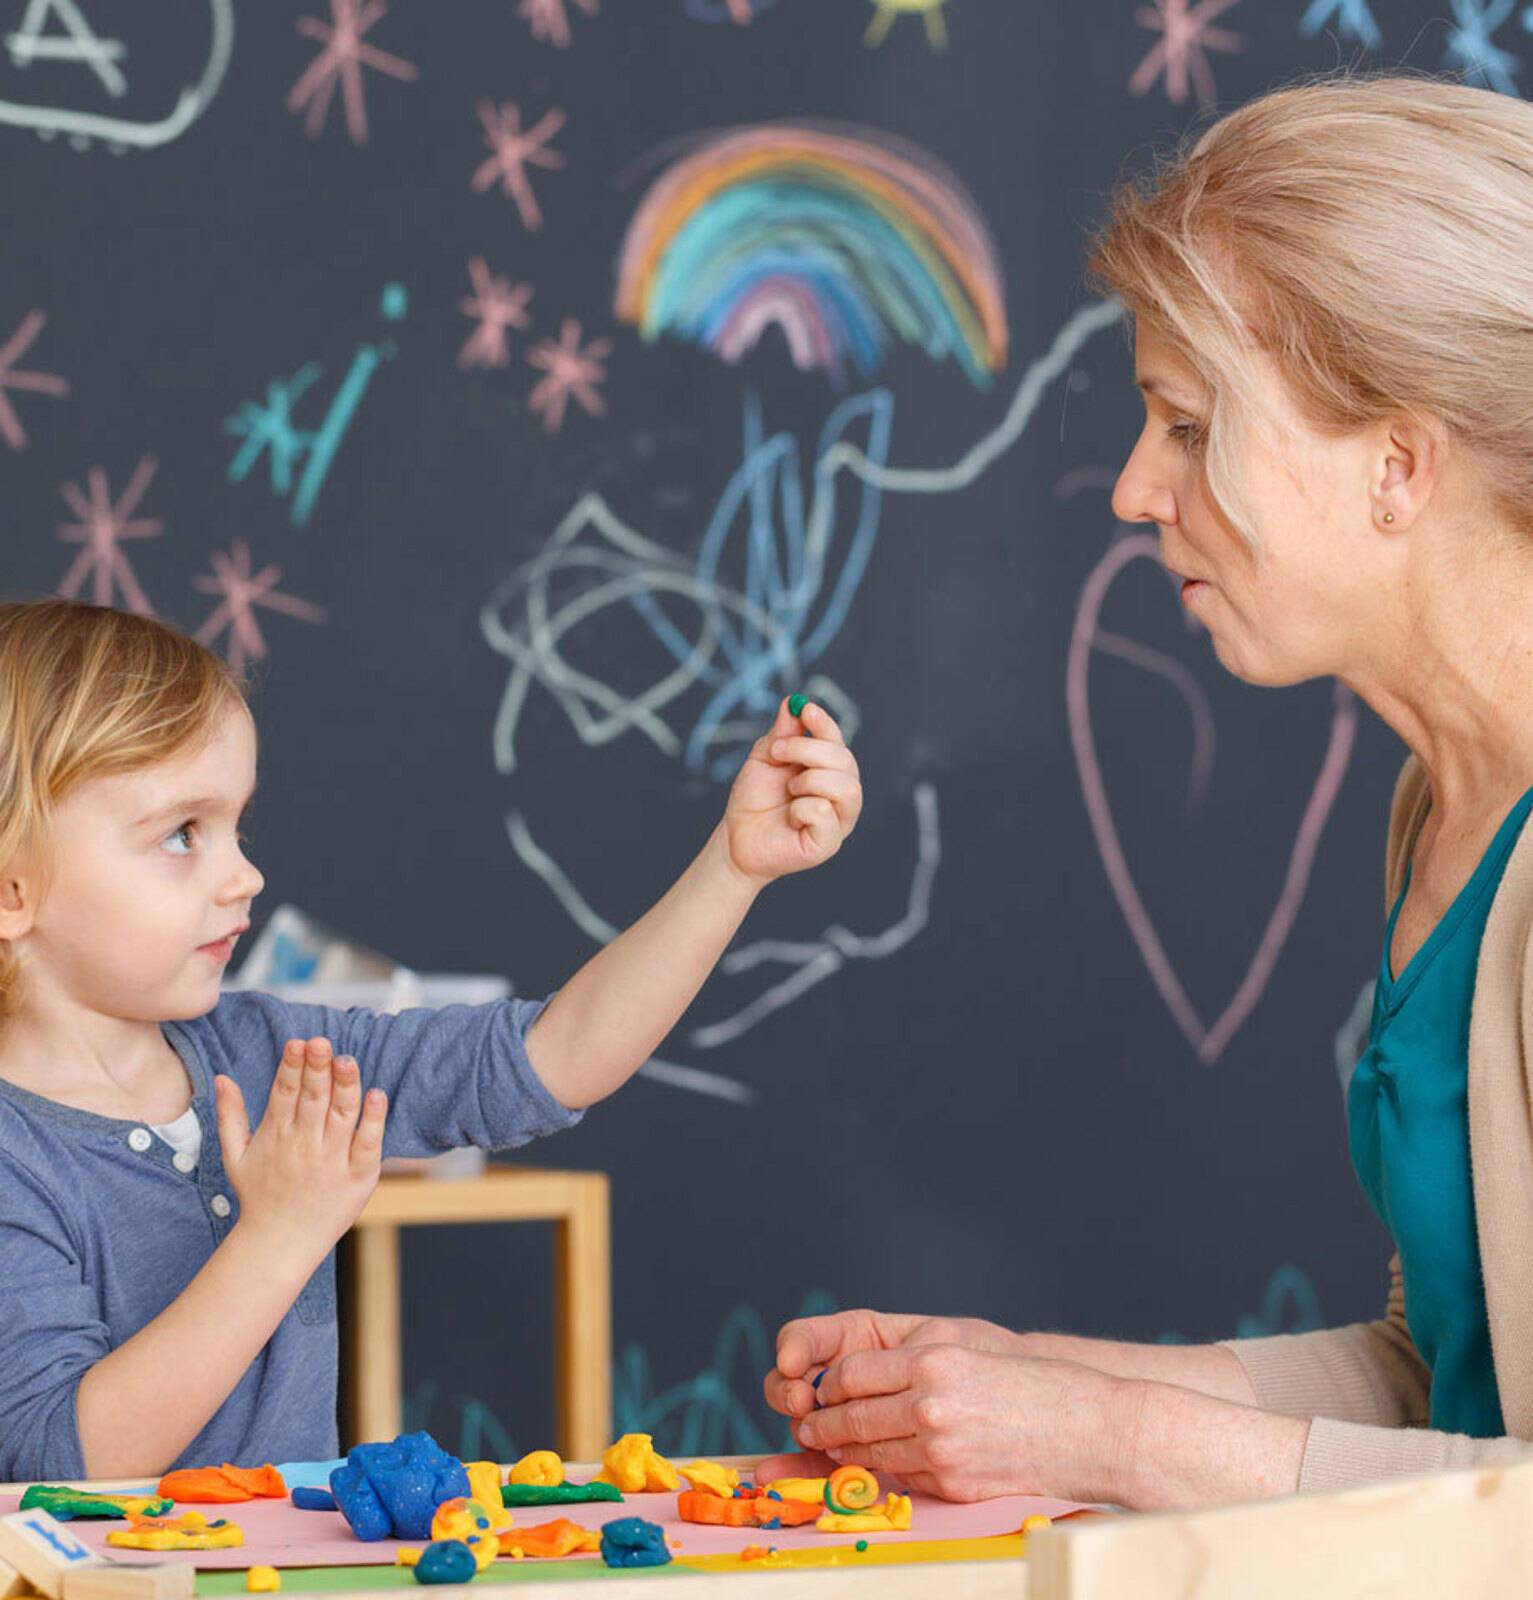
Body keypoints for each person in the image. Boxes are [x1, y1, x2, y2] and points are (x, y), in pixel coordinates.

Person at [760, 71, 1533, 1508]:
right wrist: (1033, 1379)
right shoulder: (1441, 817)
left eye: (1185, 423)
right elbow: (1451, 1378)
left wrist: (1105, 1442)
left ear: (1399, 465)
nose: (1129, 488)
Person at [0, 597, 862, 1480]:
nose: (244, 875)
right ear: (12, 890)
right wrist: (280, 1236)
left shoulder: (266, 1051)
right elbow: (58, 1463)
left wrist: (733, 866)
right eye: (182, 835)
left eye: (236, 827)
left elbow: (549, 1061)